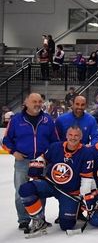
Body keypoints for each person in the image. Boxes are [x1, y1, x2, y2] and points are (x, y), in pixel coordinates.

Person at [18, 126, 95, 236]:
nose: (73, 138)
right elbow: (43, 158)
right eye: (71, 135)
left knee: (66, 225)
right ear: (66, 135)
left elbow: (86, 178)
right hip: (51, 184)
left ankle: (75, 211)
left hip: (70, 192)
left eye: (76, 135)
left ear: (81, 137)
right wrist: (37, 165)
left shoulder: (86, 153)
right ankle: (38, 220)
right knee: (26, 189)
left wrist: (85, 196)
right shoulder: (55, 147)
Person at [3, 93, 59, 230]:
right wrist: (13, 152)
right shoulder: (16, 120)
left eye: (40, 101)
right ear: (26, 103)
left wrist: (47, 157)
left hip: (41, 162)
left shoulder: (47, 120)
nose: (38, 104)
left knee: (40, 190)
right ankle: (23, 219)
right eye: (34, 101)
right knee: (20, 191)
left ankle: (40, 217)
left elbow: (55, 141)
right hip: (23, 162)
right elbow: (5, 140)